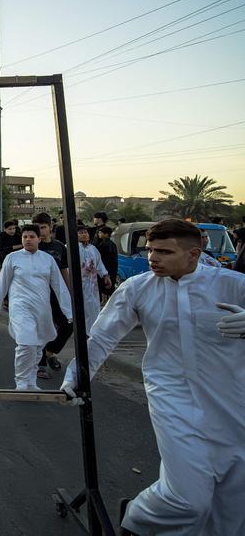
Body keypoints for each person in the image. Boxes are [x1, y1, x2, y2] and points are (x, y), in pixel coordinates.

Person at [62, 219, 245, 535]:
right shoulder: (137, 288)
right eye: (150, 250)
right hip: (171, 396)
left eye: (163, 251)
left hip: (230, 398)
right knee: (188, 498)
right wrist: (77, 376)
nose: (152, 258)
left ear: (193, 254)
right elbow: (101, 338)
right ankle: (138, 517)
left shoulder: (233, 284)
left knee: (232, 503)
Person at [0, 224, 72, 389]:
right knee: (26, 343)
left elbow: (59, 286)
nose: (28, 240)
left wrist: (68, 311)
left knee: (38, 345)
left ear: (39, 240)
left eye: (32, 237)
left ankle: (31, 381)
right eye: (25, 237)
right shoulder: (13, 258)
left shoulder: (47, 260)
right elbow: (2, 282)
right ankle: (20, 380)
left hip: (42, 309)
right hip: (20, 307)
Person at [33, 212, 71, 379]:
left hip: (56, 293)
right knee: (40, 328)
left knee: (68, 325)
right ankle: (40, 365)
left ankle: (50, 351)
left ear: (50, 227)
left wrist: (70, 293)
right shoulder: (32, 247)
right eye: (37, 228)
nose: (40, 231)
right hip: (37, 294)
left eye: (43, 227)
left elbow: (64, 271)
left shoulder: (58, 247)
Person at [76, 225, 111, 331]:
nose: (84, 234)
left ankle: (93, 333)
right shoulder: (71, 247)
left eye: (85, 232)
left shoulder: (93, 248)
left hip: (92, 285)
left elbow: (99, 264)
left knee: (94, 308)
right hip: (78, 286)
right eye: (81, 232)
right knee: (82, 310)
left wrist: (105, 276)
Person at [94, 225, 119, 298]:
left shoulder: (102, 245)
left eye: (100, 233)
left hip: (105, 270)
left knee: (104, 289)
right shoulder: (113, 244)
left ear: (106, 234)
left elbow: (99, 260)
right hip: (113, 270)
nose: (99, 234)